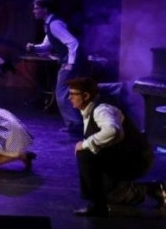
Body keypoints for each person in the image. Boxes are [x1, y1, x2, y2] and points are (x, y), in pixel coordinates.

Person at [67, 77, 165, 217]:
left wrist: (85, 144)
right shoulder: (89, 110)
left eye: (73, 94)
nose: (69, 98)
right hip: (120, 155)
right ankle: (153, 189)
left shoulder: (102, 110)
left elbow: (113, 130)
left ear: (86, 96)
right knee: (113, 196)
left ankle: (97, 204)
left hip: (135, 158)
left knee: (85, 153)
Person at [26, 0, 87, 136]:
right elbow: (47, 46)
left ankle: (76, 125)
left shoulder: (54, 24)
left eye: (37, 8)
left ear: (45, 9)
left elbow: (73, 43)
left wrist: (70, 64)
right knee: (69, 93)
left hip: (72, 62)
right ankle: (75, 124)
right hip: (71, 61)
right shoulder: (49, 24)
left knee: (62, 93)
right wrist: (34, 47)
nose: (34, 11)